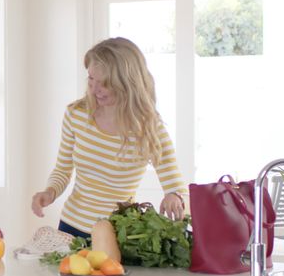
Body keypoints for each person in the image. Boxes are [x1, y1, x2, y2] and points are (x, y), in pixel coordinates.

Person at [31, 37, 187, 240]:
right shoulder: (76, 114)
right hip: (71, 228)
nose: (95, 90)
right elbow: (63, 169)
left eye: (105, 83)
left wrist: (174, 195)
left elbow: (174, 180)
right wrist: (50, 192)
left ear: (127, 83)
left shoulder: (148, 127)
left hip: (118, 231)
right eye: (91, 79)